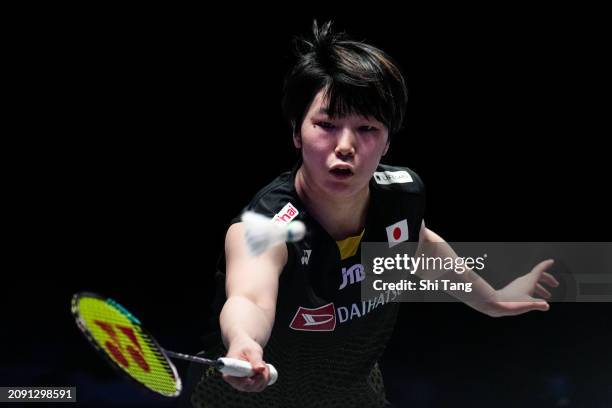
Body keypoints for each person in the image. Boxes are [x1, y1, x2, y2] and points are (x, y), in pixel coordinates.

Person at [186, 20, 559, 408]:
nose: (345, 146)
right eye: (326, 125)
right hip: (247, 392)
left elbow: (420, 245)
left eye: (366, 127)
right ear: (297, 132)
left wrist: (492, 299)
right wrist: (244, 342)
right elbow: (249, 298)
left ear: (387, 143)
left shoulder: (401, 195)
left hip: (351, 389)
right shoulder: (267, 225)